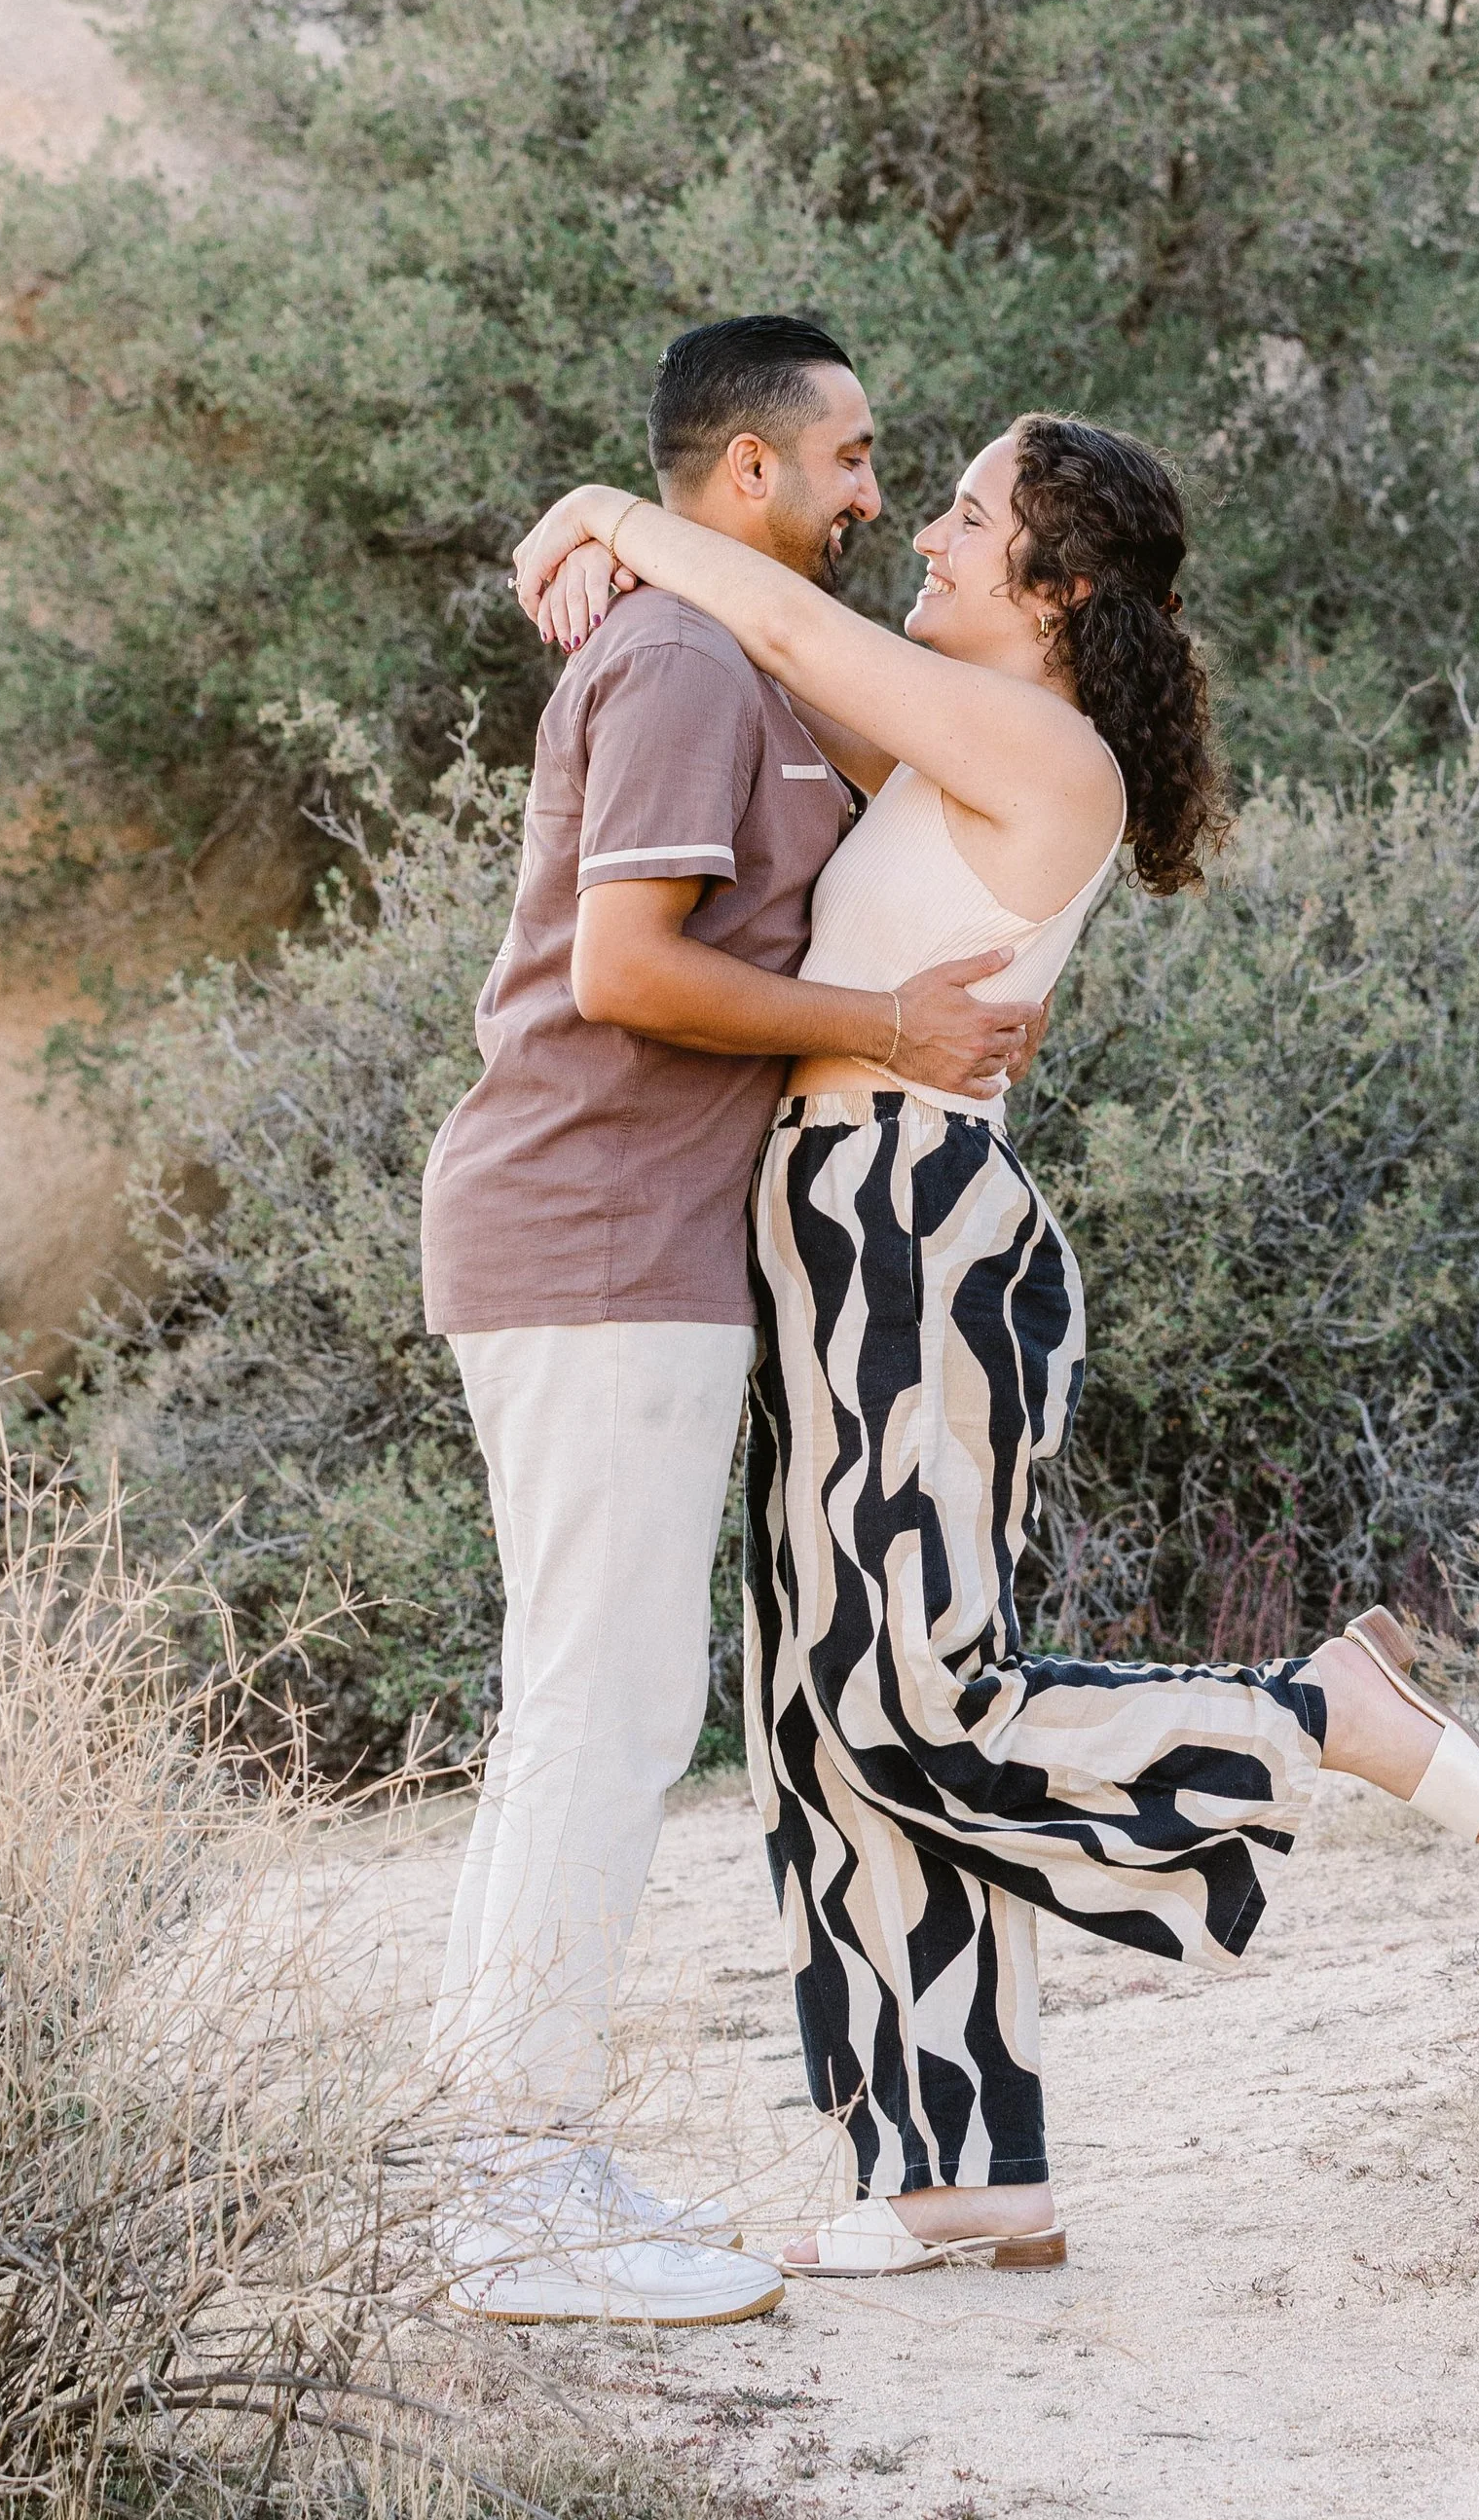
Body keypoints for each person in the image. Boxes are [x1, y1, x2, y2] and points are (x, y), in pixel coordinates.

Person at [511, 409, 1479, 2284]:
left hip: (900, 1222)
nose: (929, 534)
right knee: (827, 1733)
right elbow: (769, 677)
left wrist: (602, 510)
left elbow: (798, 636)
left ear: (1057, 589)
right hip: (846, 1213)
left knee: (910, 1699)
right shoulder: (975, 743)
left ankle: (1313, 1714)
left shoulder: (1036, 740)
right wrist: (616, 566)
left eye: (972, 519)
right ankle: (956, 2165)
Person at [421, 316, 1052, 2328]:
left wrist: (611, 519)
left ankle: (490, 2148)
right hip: (595, 1237)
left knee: (584, 1709)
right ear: (753, 472)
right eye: (854, 455)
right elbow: (623, 967)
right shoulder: (693, 661)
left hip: (625, 1248)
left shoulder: (738, 646)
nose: (880, 490)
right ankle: (510, 2191)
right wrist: (883, 1025)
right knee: (600, 1718)